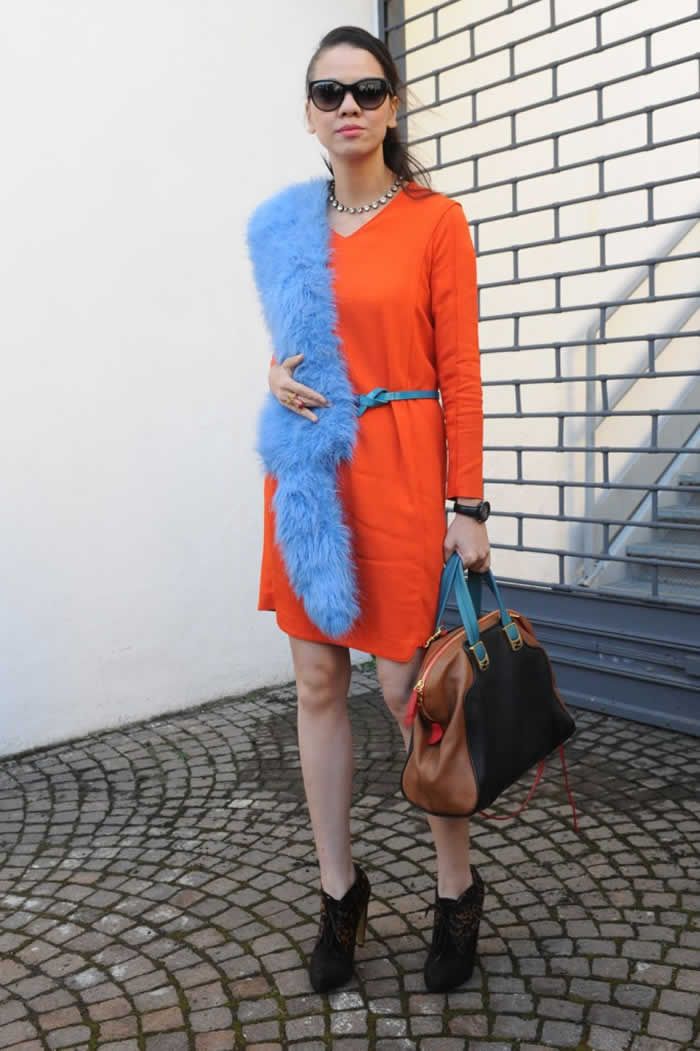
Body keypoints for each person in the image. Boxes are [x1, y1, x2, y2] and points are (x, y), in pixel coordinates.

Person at [246, 24, 490, 995]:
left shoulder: (435, 221)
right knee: (316, 682)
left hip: (400, 470)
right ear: (309, 112)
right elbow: (300, 349)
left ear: (393, 106)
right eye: (328, 92)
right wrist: (272, 374)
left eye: (366, 90)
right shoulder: (287, 227)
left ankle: (455, 887)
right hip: (312, 472)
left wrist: (467, 503)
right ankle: (338, 890)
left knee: (407, 691)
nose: (347, 106)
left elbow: (460, 372)